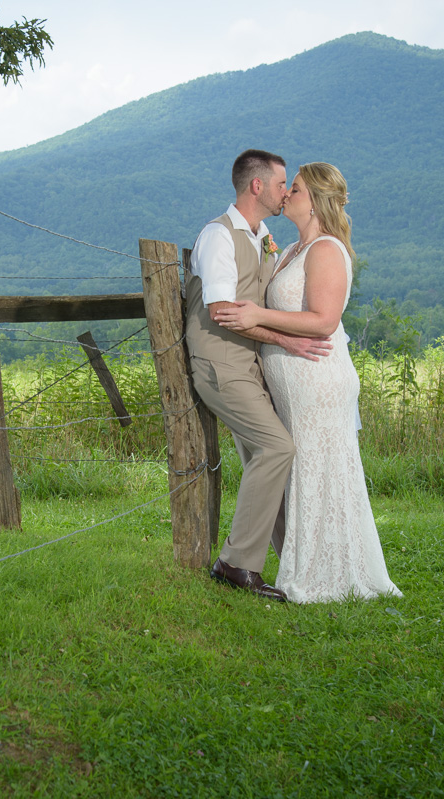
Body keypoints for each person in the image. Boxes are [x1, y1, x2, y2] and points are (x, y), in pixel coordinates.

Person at [215, 162, 401, 603]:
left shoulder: (326, 250)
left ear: (314, 200)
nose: (286, 195)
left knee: (317, 469)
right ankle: (308, 564)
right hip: (291, 383)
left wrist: (257, 315)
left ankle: (327, 574)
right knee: (300, 471)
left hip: (316, 379)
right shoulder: (292, 250)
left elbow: (323, 321)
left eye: (293, 189)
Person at [186, 149, 332, 602]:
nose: (286, 191)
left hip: (249, 365)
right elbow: (222, 310)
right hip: (220, 365)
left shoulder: (264, 235)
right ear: (257, 186)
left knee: (266, 459)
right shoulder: (218, 236)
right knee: (277, 447)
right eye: (281, 183)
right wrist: (287, 341)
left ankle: (294, 560)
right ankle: (235, 563)